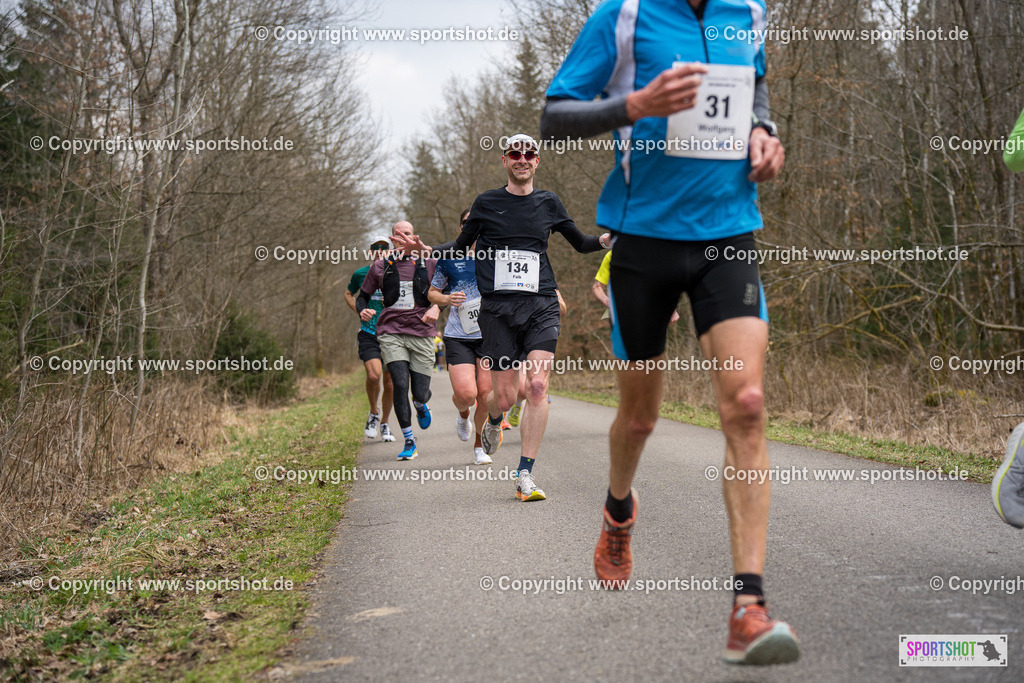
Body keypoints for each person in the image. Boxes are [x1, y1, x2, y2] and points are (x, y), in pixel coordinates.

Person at [541, 0, 798, 665]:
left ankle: (748, 607)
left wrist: (764, 131)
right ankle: (618, 509)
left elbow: (754, 86)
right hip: (643, 241)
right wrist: (634, 105)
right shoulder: (624, 16)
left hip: (727, 234)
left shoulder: (748, 12)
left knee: (747, 404)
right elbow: (554, 115)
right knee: (640, 419)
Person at [394, 133, 610, 501]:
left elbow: (579, 242)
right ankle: (494, 418)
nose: (522, 159)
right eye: (515, 153)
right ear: (505, 160)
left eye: (529, 154)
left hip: (540, 303)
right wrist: (428, 250)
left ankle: (525, 473)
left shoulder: (548, 202)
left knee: (537, 386)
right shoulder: (487, 202)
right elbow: (460, 247)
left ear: (537, 160)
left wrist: (605, 240)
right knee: (504, 397)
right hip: (498, 310)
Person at [357, 222, 440, 461]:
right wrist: (362, 310)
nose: (402, 238)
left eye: (407, 234)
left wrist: (436, 307)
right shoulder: (381, 266)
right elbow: (362, 297)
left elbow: (446, 292)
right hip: (391, 332)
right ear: (392, 239)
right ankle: (409, 441)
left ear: (414, 237)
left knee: (420, 393)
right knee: (399, 383)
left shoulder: (430, 263)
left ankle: (421, 404)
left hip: (422, 332)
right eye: (397, 235)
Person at [429, 208, 494, 464]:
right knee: (467, 394)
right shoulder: (449, 258)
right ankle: (463, 413)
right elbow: (432, 292)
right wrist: (446, 299)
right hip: (459, 335)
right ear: (460, 228)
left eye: (476, 222)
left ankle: (479, 446)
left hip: (489, 335)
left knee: (485, 394)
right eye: (466, 222)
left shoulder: (495, 257)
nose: (471, 226)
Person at [344, 236, 395, 443]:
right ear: (370, 251)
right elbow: (348, 294)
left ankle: (385, 423)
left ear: (390, 251)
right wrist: (360, 311)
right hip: (369, 332)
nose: (380, 250)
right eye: (376, 247)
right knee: (374, 376)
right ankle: (374, 412)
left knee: (390, 381)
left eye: (384, 247)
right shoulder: (361, 273)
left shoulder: (396, 272)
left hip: (392, 333)